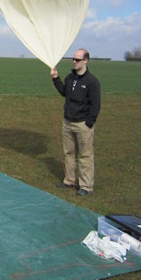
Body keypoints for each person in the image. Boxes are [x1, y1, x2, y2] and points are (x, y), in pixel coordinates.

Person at [50, 49, 101, 196]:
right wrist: (56, 79)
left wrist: (89, 122)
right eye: (73, 59)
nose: (74, 61)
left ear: (85, 61)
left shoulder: (92, 82)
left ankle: (86, 187)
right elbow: (64, 92)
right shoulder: (71, 77)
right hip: (68, 122)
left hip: (83, 124)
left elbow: (95, 104)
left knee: (85, 156)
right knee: (69, 153)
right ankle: (69, 180)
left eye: (77, 60)